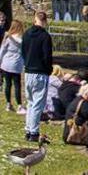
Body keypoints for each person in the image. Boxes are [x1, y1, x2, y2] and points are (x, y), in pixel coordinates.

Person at [23, 12, 53, 142]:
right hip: (40, 72)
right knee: (37, 104)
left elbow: (23, 51)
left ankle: (28, 129)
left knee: (30, 102)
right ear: (45, 21)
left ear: (35, 19)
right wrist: (48, 69)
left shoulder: (26, 34)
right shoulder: (45, 36)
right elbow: (47, 56)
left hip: (28, 71)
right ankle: (34, 132)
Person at [0, 18, 25, 114]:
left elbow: (2, 50)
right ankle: (19, 105)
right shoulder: (22, 38)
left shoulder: (8, 38)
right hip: (16, 64)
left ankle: (8, 103)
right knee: (17, 85)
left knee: (8, 84)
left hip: (6, 63)